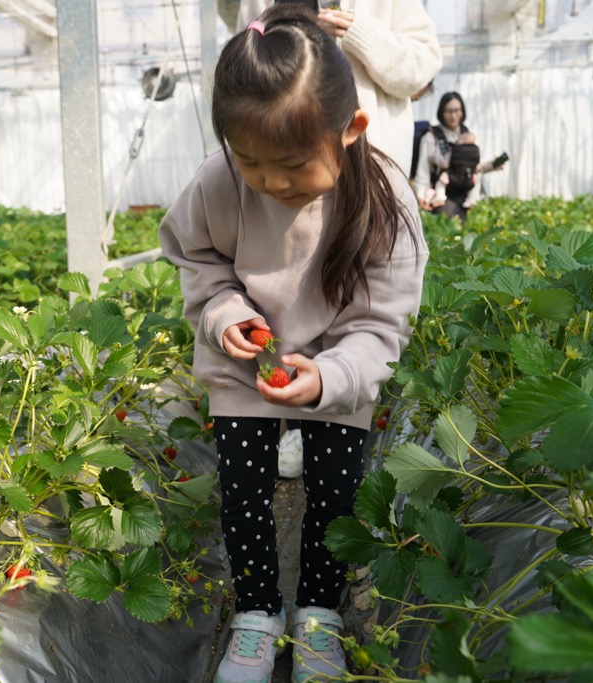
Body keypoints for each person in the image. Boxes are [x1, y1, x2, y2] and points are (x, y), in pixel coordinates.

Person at [158, 6, 428, 683]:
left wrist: (329, 376)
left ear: (352, 130)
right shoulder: (217, 183)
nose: (273, 182)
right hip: (246, 354)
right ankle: (255, 613)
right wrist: (226, 313)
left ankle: (317, 612)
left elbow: (380, 326)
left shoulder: (385, 200)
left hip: (340, 359)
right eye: (250, 161)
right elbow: (198, 259)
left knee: (335, 492)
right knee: (244, 490)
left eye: (292, 164)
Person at [235, 0, 442, 178]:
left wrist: (363, 35)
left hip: (372, 170)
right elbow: (243, 66)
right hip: (282, 160)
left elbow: (423, 65)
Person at [414, 91, 502, 224]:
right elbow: (423, 171)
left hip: (466, 191)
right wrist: (421, 195)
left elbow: (475, 166)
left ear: (462, 111)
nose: (453, 116)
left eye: (457, 110)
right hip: (442, 192)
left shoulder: (468, 135)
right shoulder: (431, 137)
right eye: (448, 111)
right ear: (441, 113)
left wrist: (493, 165)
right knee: (449, 222)